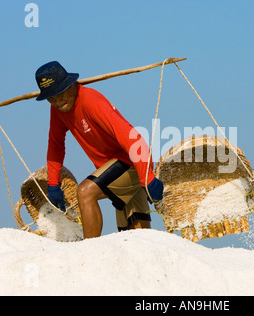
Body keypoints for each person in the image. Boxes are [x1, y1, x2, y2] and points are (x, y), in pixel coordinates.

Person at [35, 61, 163, 239]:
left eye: (61, 94)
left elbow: (132, 138)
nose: (58, 101)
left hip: (132, 162)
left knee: (85, 192)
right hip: (112, 170)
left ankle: (89, 252)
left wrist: (147, 177)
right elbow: (56, 144)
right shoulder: (58, 109)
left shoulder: (91, 101)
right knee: (134, 236)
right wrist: (53, 184)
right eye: (52, 98)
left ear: (71, 85)